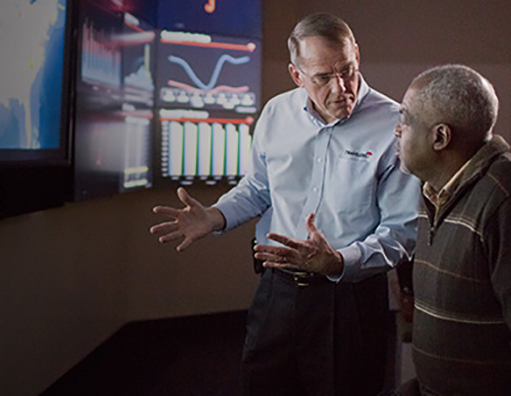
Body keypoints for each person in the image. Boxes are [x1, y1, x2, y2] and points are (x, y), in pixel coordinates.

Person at [151, 13, 420, 396]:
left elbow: (401, 232)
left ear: (356, 55)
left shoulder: (394, 125)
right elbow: (259, 187)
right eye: (323, 77)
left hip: (349, 301)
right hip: (276, 292)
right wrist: (215, 217)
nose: (341, 86)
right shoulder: (277, 113)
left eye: (347, 70)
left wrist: (338, 262)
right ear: (297, 75)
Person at [394, 65, 511, 395]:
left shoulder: (502, 200)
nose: (397, 131)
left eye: (405, 120)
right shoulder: (435, 189)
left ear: (440, 137)